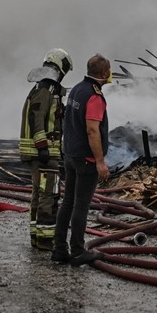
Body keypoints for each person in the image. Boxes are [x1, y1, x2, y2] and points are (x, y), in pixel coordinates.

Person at [51, 54, 111, 267]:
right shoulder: (94, 96)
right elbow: (92, 130)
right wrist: (100, 161)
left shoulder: (76, 89)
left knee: (67, 202)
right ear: (104, 73)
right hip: (85, 158)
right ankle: (77, 251)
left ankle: (59, 249)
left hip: (70, 154)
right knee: (81, 206)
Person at [19, 49, 72, 251]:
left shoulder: (46, 88)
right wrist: (42, 146)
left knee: (39, 194)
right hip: (43, 152)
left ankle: (37, 236)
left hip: (40, 151)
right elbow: (37, 117)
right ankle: (46, 240)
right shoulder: (45, 89)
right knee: (49, 194)